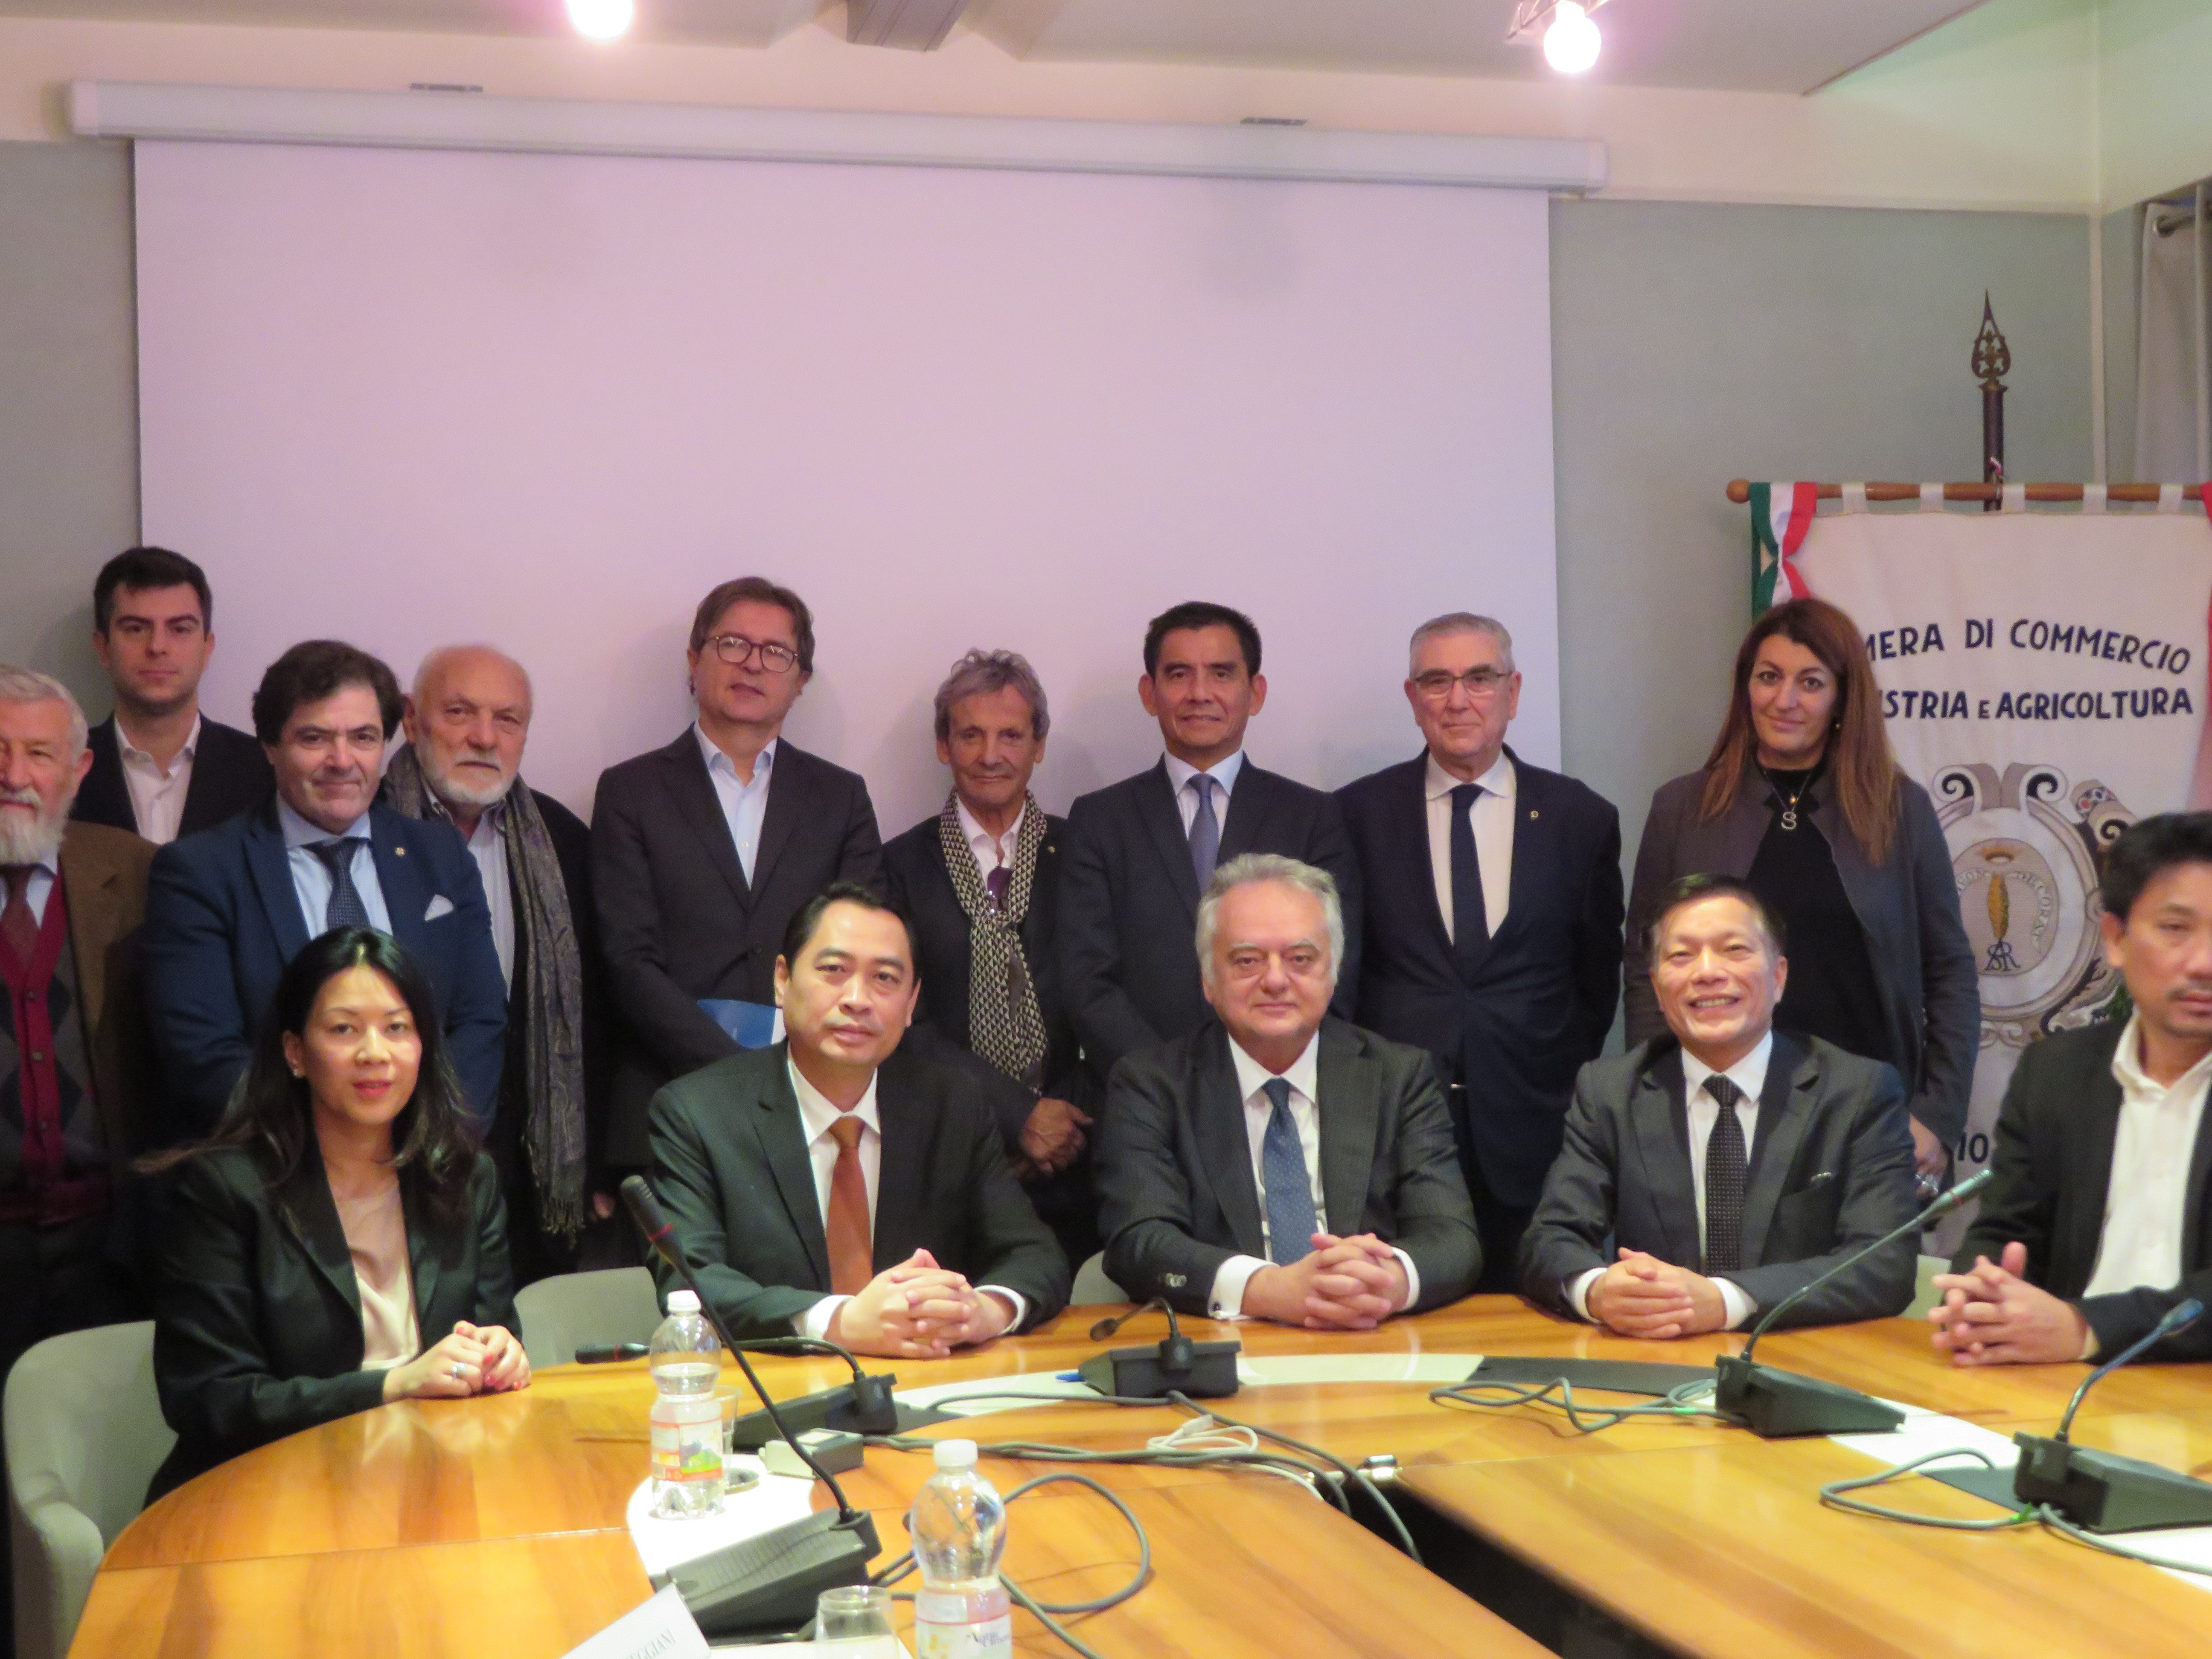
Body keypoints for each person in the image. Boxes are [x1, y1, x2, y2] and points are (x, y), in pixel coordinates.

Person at [145, 928, 527, 1500]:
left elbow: (494, 1332)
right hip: (268, 1495)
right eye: (344, 1029)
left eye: (397, 1028)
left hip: (432, 1484)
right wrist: (392, 1386)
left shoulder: (466, 1178)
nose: (375, 1053)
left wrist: (502, 1356)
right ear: (295, 1052)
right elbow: (208, 1398)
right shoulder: (226, 1190)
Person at [1627, 598, 1977, 1191]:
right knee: (1724, 1259)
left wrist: (1936, 1118)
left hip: (1869, 1124)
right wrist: (1657, 1101)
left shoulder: (1900, 810)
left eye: (1810, 683)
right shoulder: (1680, 809)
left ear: (1843, 698)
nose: (1784, 700)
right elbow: (1646, 969)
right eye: (1769, 677)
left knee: (1868, 1258)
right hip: (1719, 1119)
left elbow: (1950, 971)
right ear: (1746, 688)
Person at [646, 883, 1068, 1353]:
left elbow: (1035, 1254)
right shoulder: (698, 1113)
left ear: (911, 1004)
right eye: (834, 970)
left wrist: (984, 1311)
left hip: (928, 1380)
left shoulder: (953, 1106)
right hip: (774, 1385)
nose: (857, 999)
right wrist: (841, 1322)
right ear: (782, 980)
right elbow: (691, 1281)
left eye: (885, 978)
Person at [1337, 613, 1623, 1289]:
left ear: (1513, 692)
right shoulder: (1354, 815)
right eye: (1437, 681)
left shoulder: (1581, 818)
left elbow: (1596, 982)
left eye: (1479, 679)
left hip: (1534, 1131)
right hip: (1396, 1135)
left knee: (1534, 1320)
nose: (1457, 700)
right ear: (1413, 698)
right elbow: (1342, 977)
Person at [1520, 875, 1918, 1335]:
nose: (1707, 972)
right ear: (1658, 988)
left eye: (1734, 950)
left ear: (1779, 977)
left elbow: (1884, 1264)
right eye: (1681, 956)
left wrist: (1726, 1301)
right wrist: (1596, 1290)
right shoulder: (1610, 1091)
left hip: (1800, 1355)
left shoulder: (1858, 1091)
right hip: (1657, 1355)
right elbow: (1550, 1239)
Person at [140, 642, 508, 1139]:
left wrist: (429, 1140)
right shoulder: (201, 872)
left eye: (363, 738)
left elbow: (481, 1021)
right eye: (314, 738)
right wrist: (341, 1148)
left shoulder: (440, 855)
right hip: (278, 1165)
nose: (342, 761)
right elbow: (203, 1055)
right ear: (270, 747)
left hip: (427, 1158)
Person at [1095, 854, 1478, 1325]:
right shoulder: (1150, 1085)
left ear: (1333, 972)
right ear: (1208, 980)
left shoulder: (1399, 1077)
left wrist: (1385, 1282)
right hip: (1222, 1341)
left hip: (1369, 1335)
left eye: (1300, 959)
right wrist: (1268, 1290)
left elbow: (1453, 1236)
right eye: (1247, 961)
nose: (1276, 980)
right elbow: (1139, 1242)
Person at [594, 578, 882, 1174]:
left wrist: (795, 1072)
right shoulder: (630, 792)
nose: (752, 664)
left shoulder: (841, 799)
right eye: (732, 644)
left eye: (776, 652)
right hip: (667, 1102)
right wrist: (744, 1074)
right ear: (694, 661)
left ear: (800, 680)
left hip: (811, 1105)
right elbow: (628, 960)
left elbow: (859, 953)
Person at [1930, 813, 2212, 1365]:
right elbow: (2006, 1229)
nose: (2204, 963)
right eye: (2175, 928)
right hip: (2060, 1384)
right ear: (2116, 939)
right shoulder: (2055, 1072)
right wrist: (1982, 1297)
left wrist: (2086, 1328)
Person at [1060, 601, 1361, 1090]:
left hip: (1277, 1092)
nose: (1199, 694)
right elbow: (1087, 981)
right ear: (1150, 693)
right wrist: (1164, 1085)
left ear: (1255, 692)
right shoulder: (1099, 820)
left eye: (1221, 674)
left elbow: (1335, 968)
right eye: (1179, 674)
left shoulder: (1312, 817)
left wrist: (1262, 1075)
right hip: (1142, 1096)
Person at [386, 645, 609, 1283]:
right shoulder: (366, 830)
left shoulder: (565, 842)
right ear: (412, 720)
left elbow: (598, 1011)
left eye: (507, 720)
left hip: (530, 1151)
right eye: (460, 712)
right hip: (399, 1138)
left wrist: (594, 1161)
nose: (484, 738)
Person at [881, 650, 1097, 1263]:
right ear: (943, 745)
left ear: (1039, 745)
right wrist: (1015, 1117)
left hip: (1079, 1156)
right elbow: (902, 1017)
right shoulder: (898, 865)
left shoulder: (1085, 853)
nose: (991, 754)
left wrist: (1060, 1126)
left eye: (1011, 736)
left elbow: (1107, 995)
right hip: (948, 1154)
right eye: (971, 735)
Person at [0, 668, 158, 1381]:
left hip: (112, 1242)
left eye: (38, 753)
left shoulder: (136, 872)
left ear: (79, 767)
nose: (13, 776)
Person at [71, 546, 273, 844]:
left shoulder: (266, 771)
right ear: (103, 648)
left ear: (207, 648)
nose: (158, 647)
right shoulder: (61, 769)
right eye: (136, 629)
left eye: (180, 629)